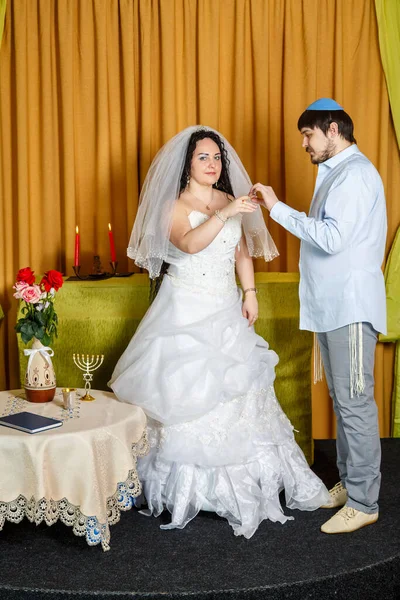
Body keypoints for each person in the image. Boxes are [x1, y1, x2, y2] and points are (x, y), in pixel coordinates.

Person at [109, 125, 330, 538]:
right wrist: (225, 214)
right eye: (203, 158)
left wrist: (250, 291)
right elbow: (190, 244)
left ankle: (249, 484)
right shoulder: (174, 205)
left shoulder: (230, 199)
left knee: (241, 388)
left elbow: (240, 250)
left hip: (226, 304)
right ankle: (188, 490)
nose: (212, 165)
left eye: (216, 158)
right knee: (186, 392)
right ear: (187, 165)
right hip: (186, 307)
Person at [251, 98, 387, 534]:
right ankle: (352, 484)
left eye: (308, 135)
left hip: (348, 308)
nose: (305, 145)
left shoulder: (355, 174)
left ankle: (366, 501)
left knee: (355, 404)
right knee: (346, 403)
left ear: (332, 129)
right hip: (332, 308)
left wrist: (276, 208)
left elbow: (331, 239)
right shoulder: (337, 173)